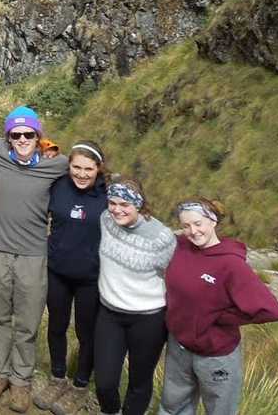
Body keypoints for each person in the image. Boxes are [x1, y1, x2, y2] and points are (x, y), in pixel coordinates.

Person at [0, 105, 68, 412]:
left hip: (33, 256)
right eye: (16, 135)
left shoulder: (56, 164)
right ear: (9, 137)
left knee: (27, 323)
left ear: (38, 136)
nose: (22, 139)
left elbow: (87, 166)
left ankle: (21, 381)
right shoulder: (0, 151)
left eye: (29, 134)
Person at [158, 198, 278, 415]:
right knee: (172, 408)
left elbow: (271, 310)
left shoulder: (231, 264)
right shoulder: (179, 246)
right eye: (185, 225)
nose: (193, 231)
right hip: (179, 347)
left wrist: (220, 318)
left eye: (198, 223)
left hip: (216, 355)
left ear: (213, 221)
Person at [35, 141, 111, 415]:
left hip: (91, 277)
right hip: (57, 271)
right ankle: (57, 378)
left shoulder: (108, 195)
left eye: (88, 169)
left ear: (99, 169)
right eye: (76, 167)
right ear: (68, 166)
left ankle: (79, 385)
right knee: (56, 326)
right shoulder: (58, 186)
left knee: (85, 332)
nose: (81, 174)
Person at [95, 178, 176, 415]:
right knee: (104, 382)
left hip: (148, 319)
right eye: (112, 202)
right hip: (109, 314)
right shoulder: (105, 220)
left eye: (124, 204)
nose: (117, 209)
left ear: (139, 205)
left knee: (139, 382)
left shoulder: (161, 237)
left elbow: (171, 275)